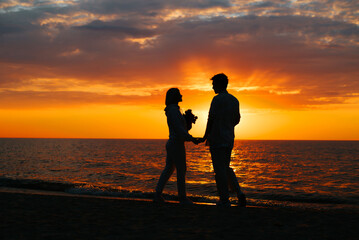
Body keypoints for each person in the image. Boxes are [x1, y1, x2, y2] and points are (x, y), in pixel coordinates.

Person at [200, 73, 246, 207]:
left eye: (214, 84)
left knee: (219, 170)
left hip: (216, 138)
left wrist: (205, 136)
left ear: (219, 84)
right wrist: (227, 126)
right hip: (229, 138)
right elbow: (237, 119)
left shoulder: (216, 100)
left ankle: (224, 199)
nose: (212, 87)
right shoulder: (234, 100)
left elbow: (211, 119)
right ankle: (239, 192)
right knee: (225, 167)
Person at [154, 88, 199, 205]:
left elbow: (181, 129)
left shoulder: (174, 110)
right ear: (174, 96)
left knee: (169, 169)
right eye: (179, 94)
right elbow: (179, 130)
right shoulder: (173, 111)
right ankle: (182, 198)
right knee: (180, 170)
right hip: (176, 144)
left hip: (174, 143)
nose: (181, 95)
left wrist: (188, 123)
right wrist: (192, 138)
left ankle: (158, 194)